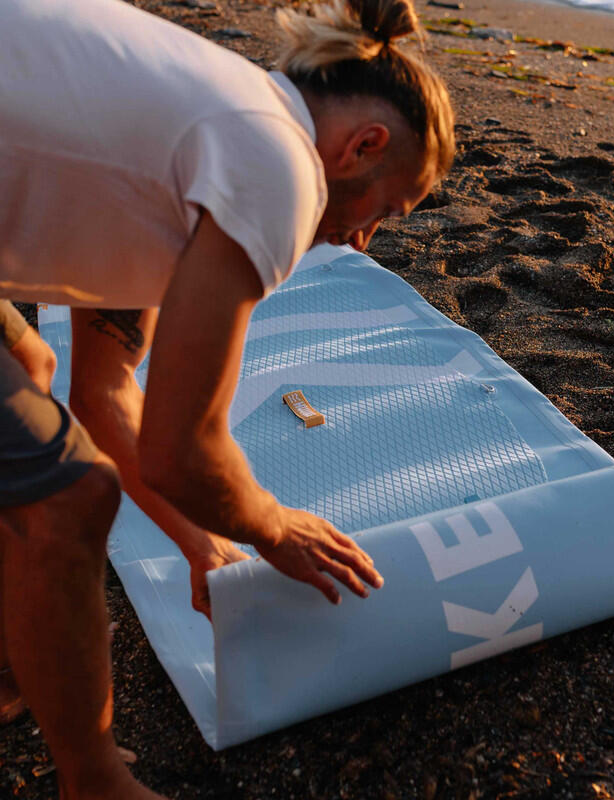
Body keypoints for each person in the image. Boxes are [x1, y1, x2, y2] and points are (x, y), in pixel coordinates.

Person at [0, 0, 454, 796]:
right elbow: (185, 450)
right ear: (364, 146)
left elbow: (106, 395)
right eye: (386, 211)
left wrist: (204, 545)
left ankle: (15, 655)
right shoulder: (278, 166)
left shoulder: (218, 122)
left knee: (30, 369)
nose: (361, 239)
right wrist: (271, 524)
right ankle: (94, 781)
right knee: (69, 499)